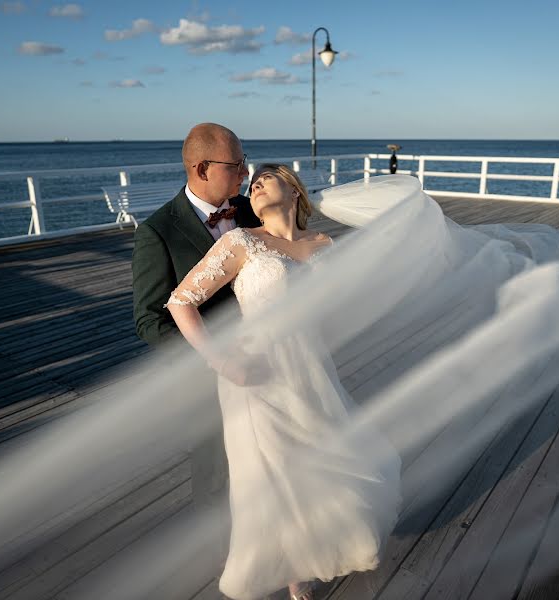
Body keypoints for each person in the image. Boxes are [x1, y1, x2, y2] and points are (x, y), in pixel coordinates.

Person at [166, 164, 402, 600]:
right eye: (251, 184)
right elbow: (181, 302)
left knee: (326, 461)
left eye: (265, 179)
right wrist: (221, 361)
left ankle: (320, 550)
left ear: (293, 190)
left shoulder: (325, 245)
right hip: (254, 374)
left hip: (311, 369)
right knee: (274, 475)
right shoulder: (242, 241)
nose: (253, 185)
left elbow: (336, 309)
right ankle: (294, 574)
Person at [131, 123, 262, 563]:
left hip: (267, 362)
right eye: (237, 163)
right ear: (202, 168)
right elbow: (150, 320)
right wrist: (214, 359)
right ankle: (229, 562)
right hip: (206, 376)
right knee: (216, 474)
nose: (245, 172)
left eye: (245, 161)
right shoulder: (157, 232)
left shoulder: (249, 210)